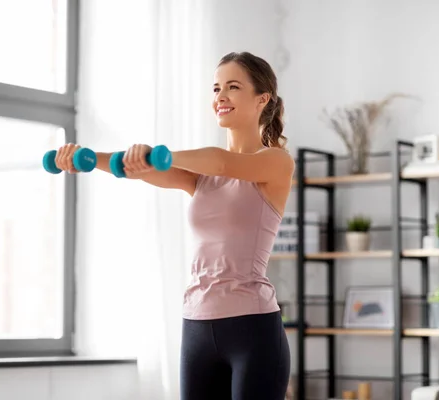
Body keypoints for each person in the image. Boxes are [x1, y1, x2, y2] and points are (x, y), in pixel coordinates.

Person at [54, 51, 293, 399]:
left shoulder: (275, 162)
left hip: (252, 329)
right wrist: (85, 158)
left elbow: (221, 162)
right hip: (196, 325)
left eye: (233, 86)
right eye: (215, 88)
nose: (220, 97)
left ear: (262, 98)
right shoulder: (200, 178)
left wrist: (160, 153)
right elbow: (135, 168)